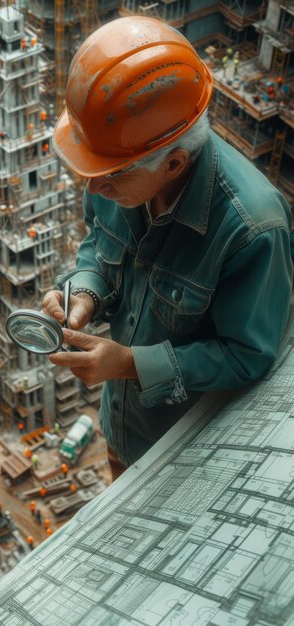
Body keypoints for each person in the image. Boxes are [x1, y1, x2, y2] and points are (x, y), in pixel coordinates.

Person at [43, 16, 293, 480]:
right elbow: (99, 244)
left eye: (109, 176)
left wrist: (130, 364)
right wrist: (85, 295)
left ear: (174, 162)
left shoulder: (252, 230)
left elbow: (248, 356)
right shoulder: (119, 176)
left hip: (181, 456)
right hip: (123, 427)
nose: (92, 188)